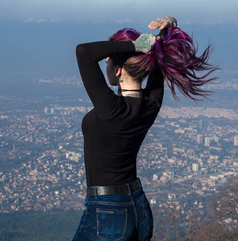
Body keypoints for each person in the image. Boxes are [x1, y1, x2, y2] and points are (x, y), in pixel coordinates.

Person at [72, 16, 218, 241]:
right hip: (138, 207)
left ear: (119, 70)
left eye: (108, 62)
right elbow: (159, 58)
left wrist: (134, 46)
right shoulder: (151, 103)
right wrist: (169, 29)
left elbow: (84, 52)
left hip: (108, 211)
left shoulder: (113, 110)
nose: (106, 66)